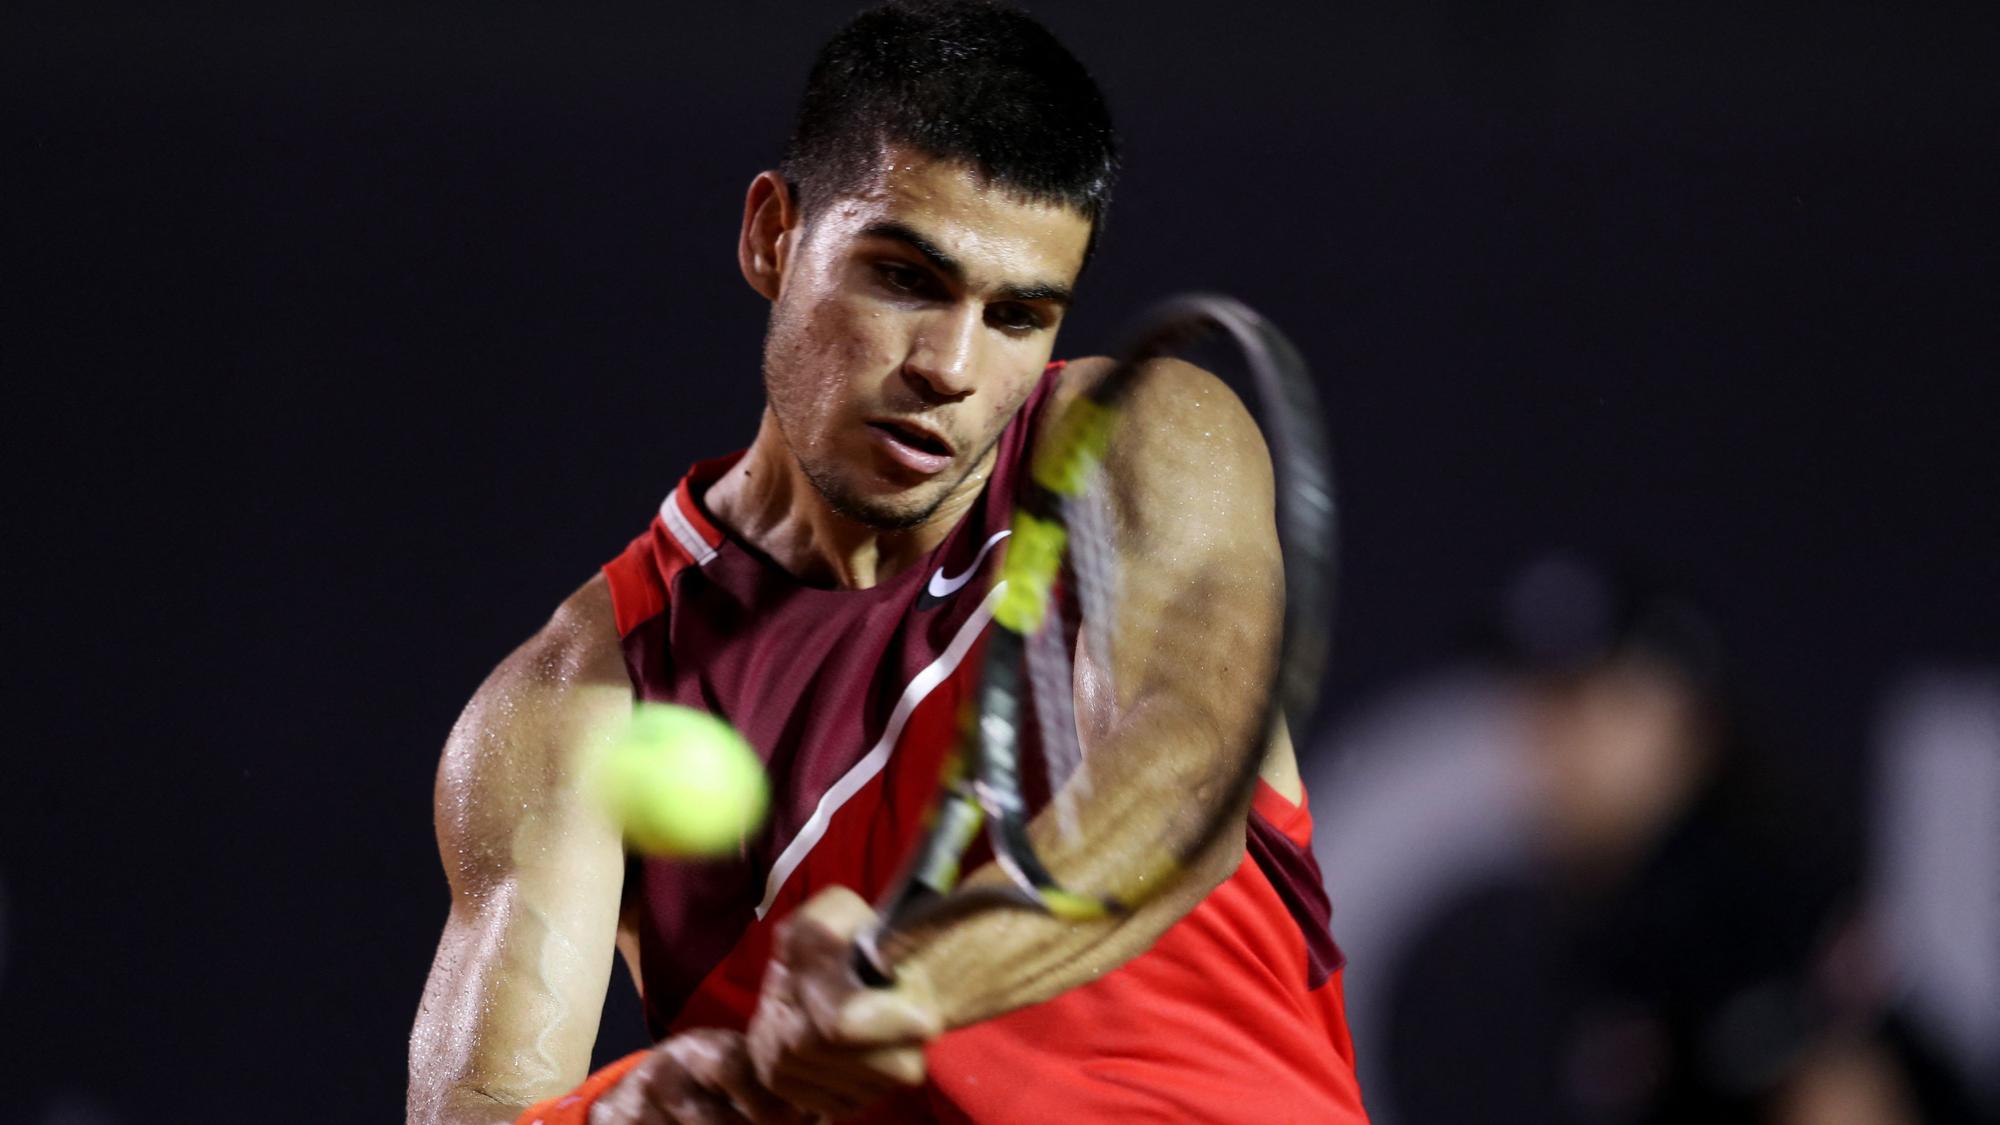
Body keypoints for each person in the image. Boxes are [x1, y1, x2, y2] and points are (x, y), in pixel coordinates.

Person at [406, 3, 1366, 1122]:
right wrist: (627, 1115)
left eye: (1016, 315)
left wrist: (913, 980)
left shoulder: (1137, 437)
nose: (951, 367)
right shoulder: (575, 704)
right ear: (773, 236)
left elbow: (1182, 775)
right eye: (905, 278)